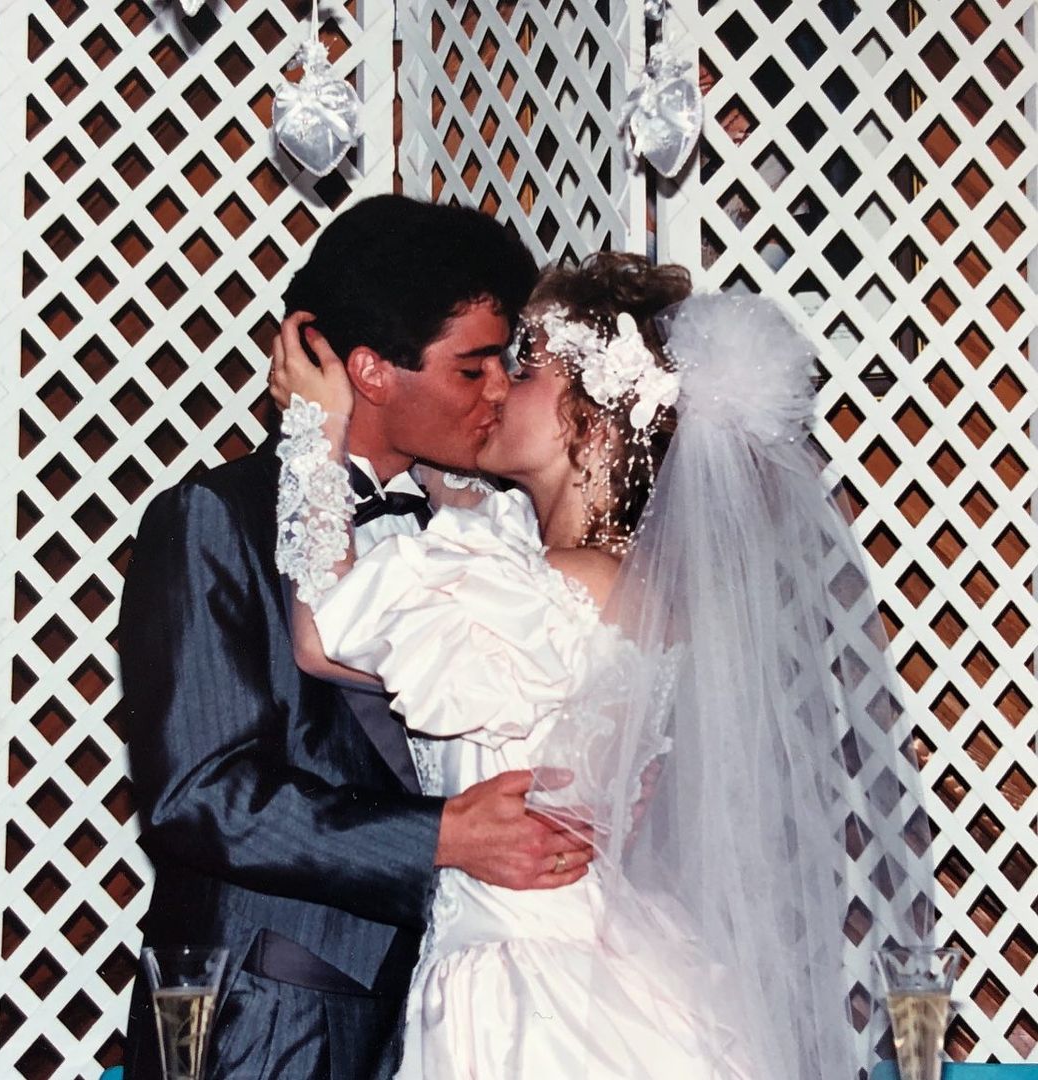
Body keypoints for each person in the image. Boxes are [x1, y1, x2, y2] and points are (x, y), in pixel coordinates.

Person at [271, 252, 935, 1078]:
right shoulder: (594, 581)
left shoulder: (568, 585)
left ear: (596, 415)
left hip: (533, 1001)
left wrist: (312, 432)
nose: (500, 386)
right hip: (581, 964)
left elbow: (323, 640)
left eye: (530, 365)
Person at [120, 194, 594, 1080]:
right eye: (473, 369)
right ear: (372, 371)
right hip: (278, 1019)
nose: (498, 392)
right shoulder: (214, 521)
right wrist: (437, 837)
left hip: (479, 1016)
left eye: (509, 366)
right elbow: (200, 793)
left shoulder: (497, 530)